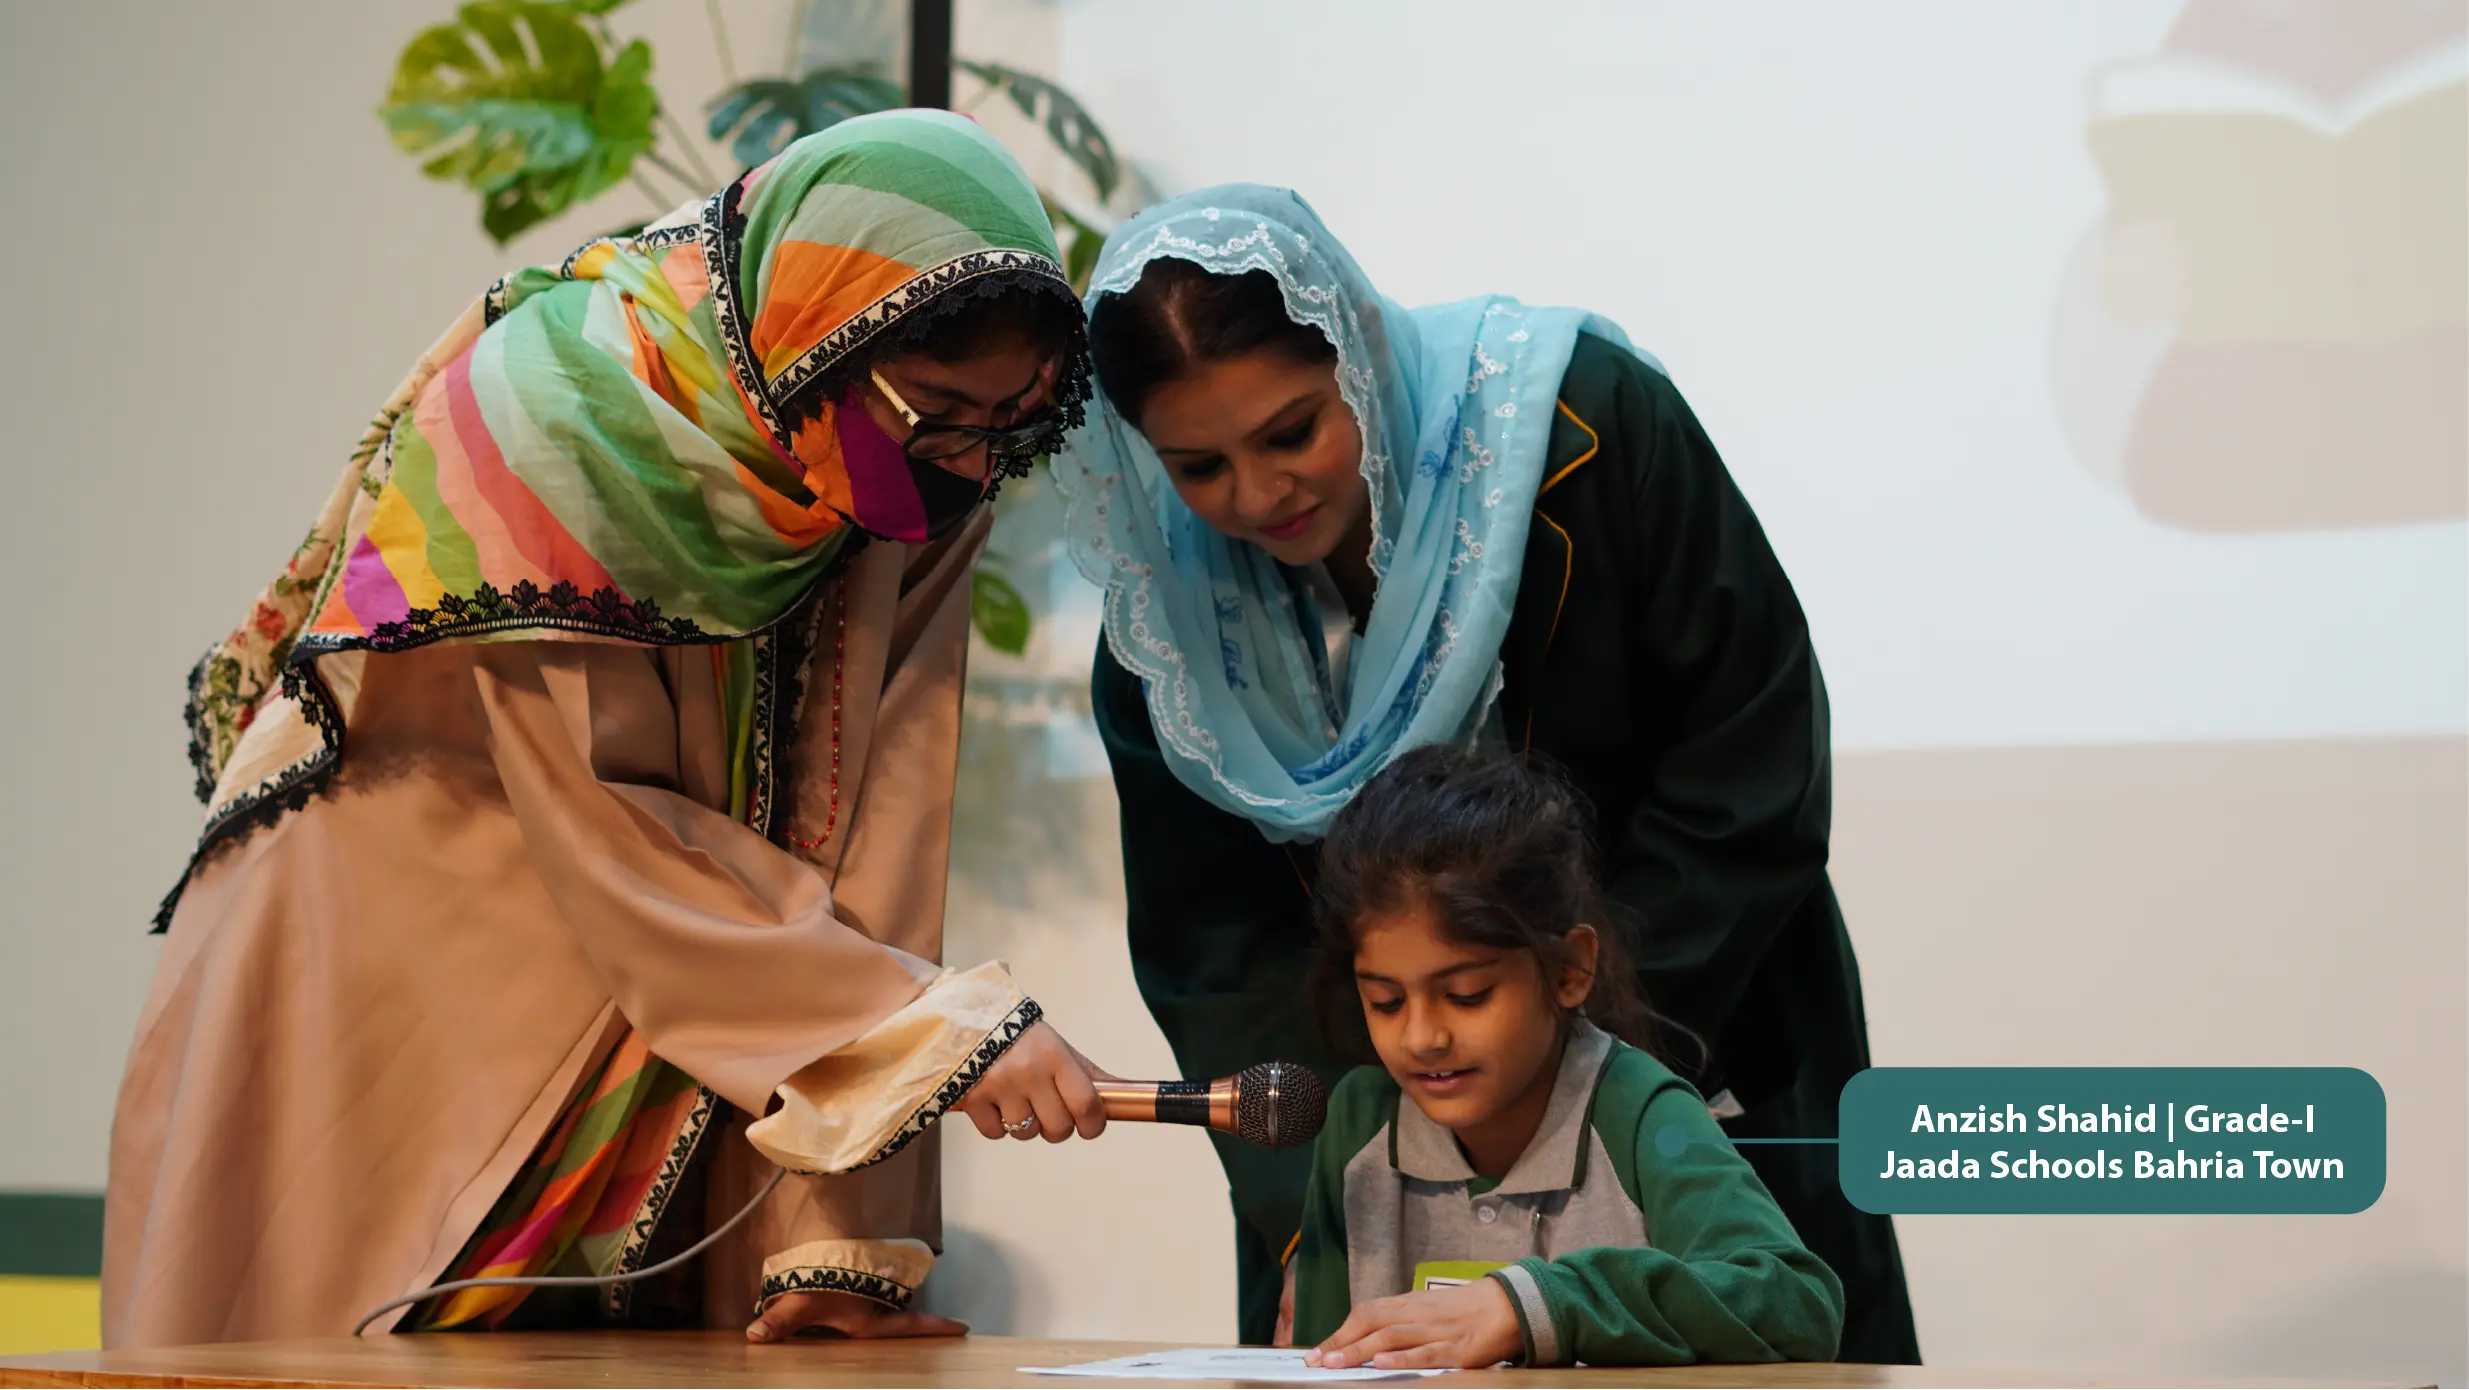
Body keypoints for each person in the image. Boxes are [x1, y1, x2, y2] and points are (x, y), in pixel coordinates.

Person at [108, 111, 1114, 1349]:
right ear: (816, 336)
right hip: (386, 974)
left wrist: (841, 1238)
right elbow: (609, 822)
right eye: (942, 415)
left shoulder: (913, 469)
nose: (970, 465)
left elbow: (879, 826)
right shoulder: (555, 416)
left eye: (1014, 421)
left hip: (671, 982)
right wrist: (923, 1029)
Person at [1053, 185, 1921, 1361]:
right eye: (1199, 466)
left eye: (1294, 432)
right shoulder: (1167, 621)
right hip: (1384, 1149)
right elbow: (1218, 951)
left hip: (1689, 1039)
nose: (1257, 496)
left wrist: (1580, 1063)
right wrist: (1322, 1189)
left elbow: (1747, 762)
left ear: (1359, 349)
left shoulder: (1585, 430)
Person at [1290, 746, 1842, 1370]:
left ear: (1570, 970)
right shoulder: (1358, 1126)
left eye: (1467, 995)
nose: (1421, 1038)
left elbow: (1797, 1302)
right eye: (1386, 1002)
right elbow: (1320, 1363)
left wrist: (1535, 1307)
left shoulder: (1641, 1114)